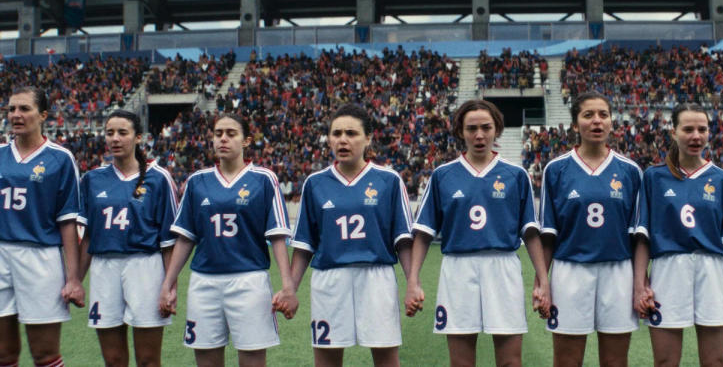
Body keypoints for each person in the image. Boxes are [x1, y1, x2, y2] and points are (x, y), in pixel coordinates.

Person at [404, 99, 550, 367]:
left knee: (510, 362)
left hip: (503, 266)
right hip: (457, 268)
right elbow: (423, 233)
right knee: (461, 363)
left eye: (486, 127)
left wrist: (543, 280)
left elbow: (530, 232)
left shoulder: (516, 175)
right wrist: (413, 280)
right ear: (461, 131)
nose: (479, 135)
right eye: (472, 128)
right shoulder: (443, 175)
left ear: (497, 130)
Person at [158, 114, 298, 367]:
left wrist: (288, 286)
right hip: (204, 283)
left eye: (231, 133)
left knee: (253, 362)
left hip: (250, 281)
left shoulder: (265, 179)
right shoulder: (197, 181)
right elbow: (185, 238)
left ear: (246, 141)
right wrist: (168, 283)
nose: (223, 138)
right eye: (218, 133)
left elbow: (278, 237)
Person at [289, 104, 413, 367]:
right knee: (327, 360)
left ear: (368, 138)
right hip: (329, 279)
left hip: (377, 277)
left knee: (387, 359)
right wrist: (290, 289)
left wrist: (412, 283)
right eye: (336, 133)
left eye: (351, 133)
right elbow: (304, 245)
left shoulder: (388, 180)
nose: (342, 140)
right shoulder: (315, 183)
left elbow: (402, 240)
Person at [539, 92, 641, 367]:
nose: (596, 121)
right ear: (575, 125)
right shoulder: (556, 169)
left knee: (615, 362)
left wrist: (641, 284)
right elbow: (548, 233)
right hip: (570, 270)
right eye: (588, 115)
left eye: (603, 115)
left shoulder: (631, 171)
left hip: (618, 271)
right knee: (567, 362)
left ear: (611, 123)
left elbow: (638, 235)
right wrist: (542, 282)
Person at [633, 104, 723, 366]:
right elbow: (643, 236)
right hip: (668, 268)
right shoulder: (654, 177)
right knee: (666, 362)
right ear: (673, 132)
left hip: (712, 269)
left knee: (715, 362)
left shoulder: (722, 179)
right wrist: (640, 282)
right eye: (688, 129)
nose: (696, 136)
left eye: (702, 129)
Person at [77, 110, 179, 367]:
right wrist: (75, 280)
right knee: (113, 360)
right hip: (103, 268)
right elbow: (87, 237)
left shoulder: (159, 178)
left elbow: (168, 242)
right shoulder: (91, 179)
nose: (115, 138)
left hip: (145, 267)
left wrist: (170, 285)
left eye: (123, 132)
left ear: (138, 138)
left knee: (147, 360)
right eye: (110, 132)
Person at [0, 86, 84, 367]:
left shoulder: (60, 159)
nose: (16, 115)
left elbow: (68, 221)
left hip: (40, 257)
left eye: (25, 109)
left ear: (43, 115)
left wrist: (74, 278)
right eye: (11, 109)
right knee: (3, 354)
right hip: (0, 255)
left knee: (45, 354)